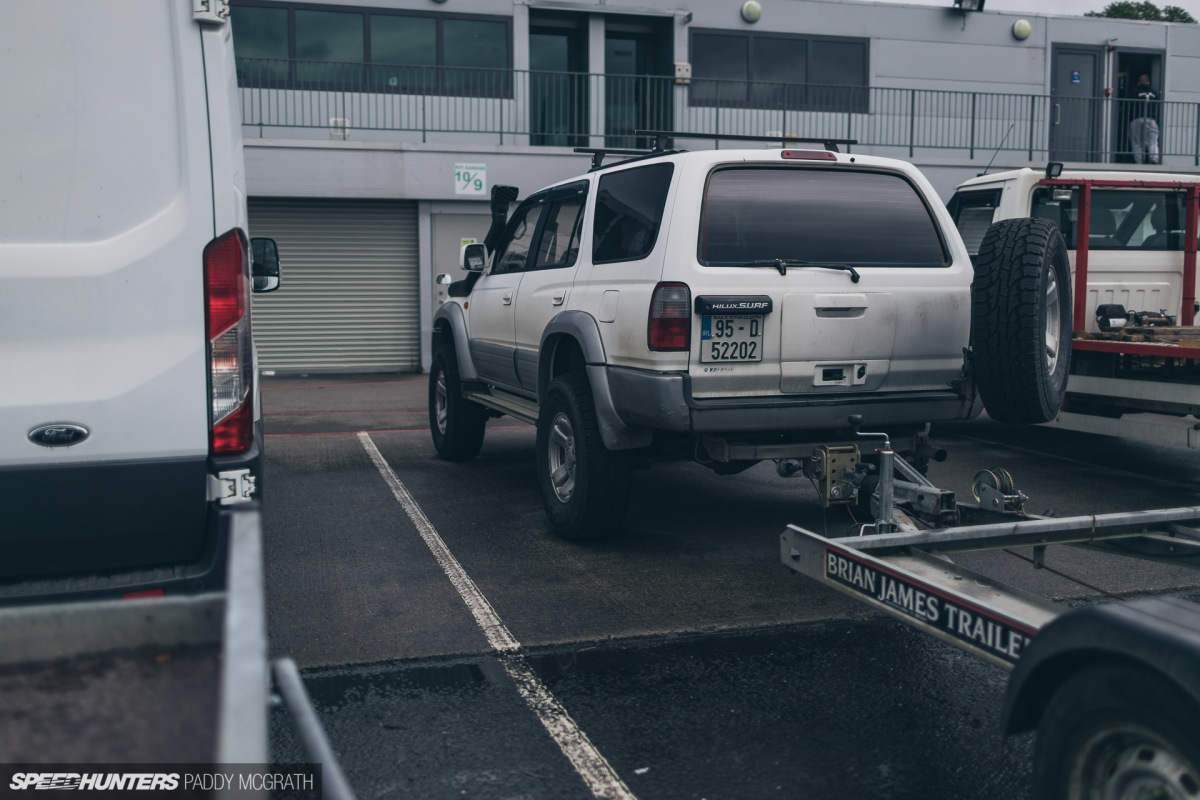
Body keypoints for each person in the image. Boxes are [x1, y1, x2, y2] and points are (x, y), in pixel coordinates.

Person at [1129, 74, 1161, 165]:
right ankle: (1154, 159)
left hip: (1136, 118)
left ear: (1138, 83)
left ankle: (1138, 162)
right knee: (1152, 141)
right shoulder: (1153, 92)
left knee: (1137, 142)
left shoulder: (1134, 91)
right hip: (1151, 119)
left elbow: (1129, 104)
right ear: (1148, 82)